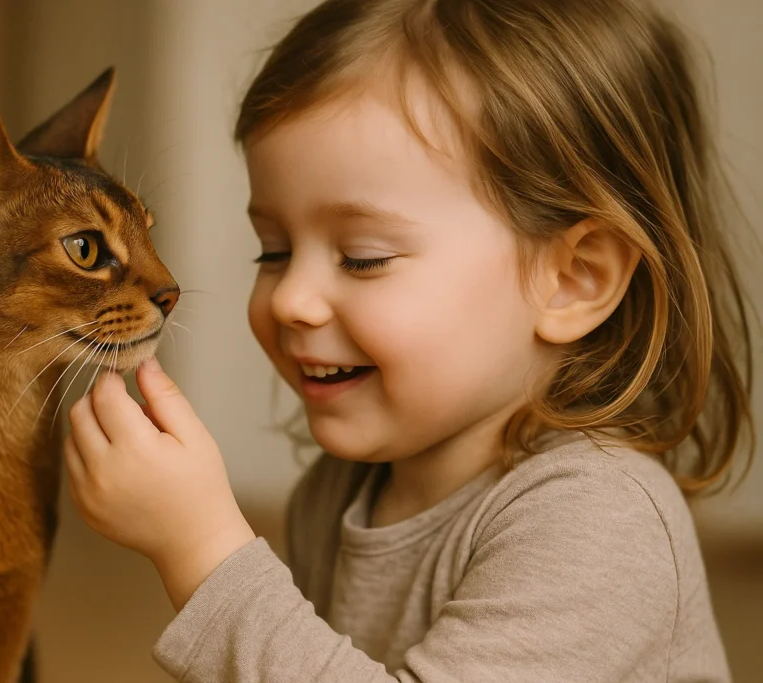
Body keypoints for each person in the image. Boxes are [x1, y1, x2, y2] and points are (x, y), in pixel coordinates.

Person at [64, 0, 754, 680]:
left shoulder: (600, 523)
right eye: (272, 252)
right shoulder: (337, 493)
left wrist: (203, 548)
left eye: (363, 257)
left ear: (573, 278)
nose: (293, 299)